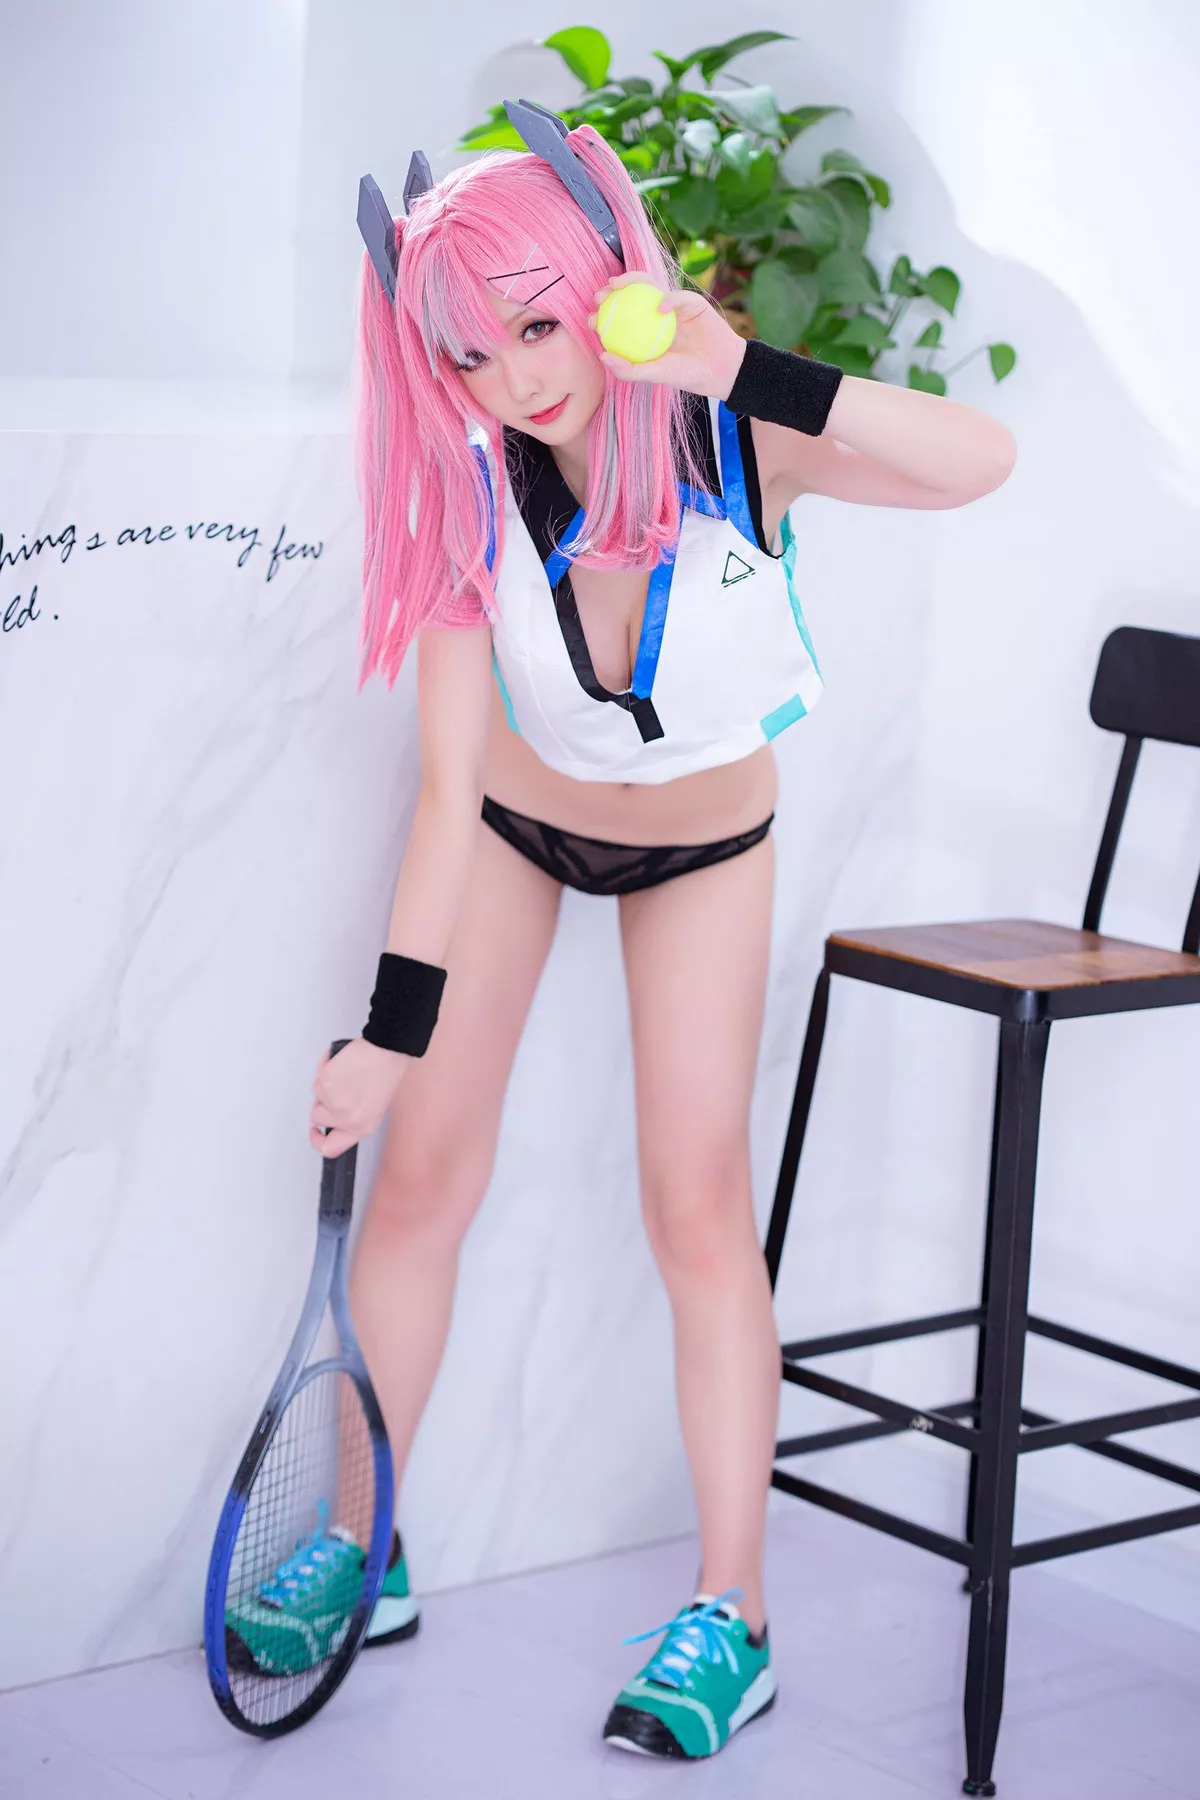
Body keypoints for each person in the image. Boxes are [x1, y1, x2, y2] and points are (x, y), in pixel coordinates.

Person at [301, 112, 1015, 1761]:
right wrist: (391, 1037)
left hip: (704, 848)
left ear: (605, 286)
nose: (515, 378)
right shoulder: (469, 493)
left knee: (696, 1205)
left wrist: (739, 365)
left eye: (538, 325)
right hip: (515, 829)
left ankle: (734, 1615)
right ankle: (360, 1544)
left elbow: (979, 460)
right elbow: (448, 789)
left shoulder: (728, 437)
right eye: (471, 352)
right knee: (422, 1174)